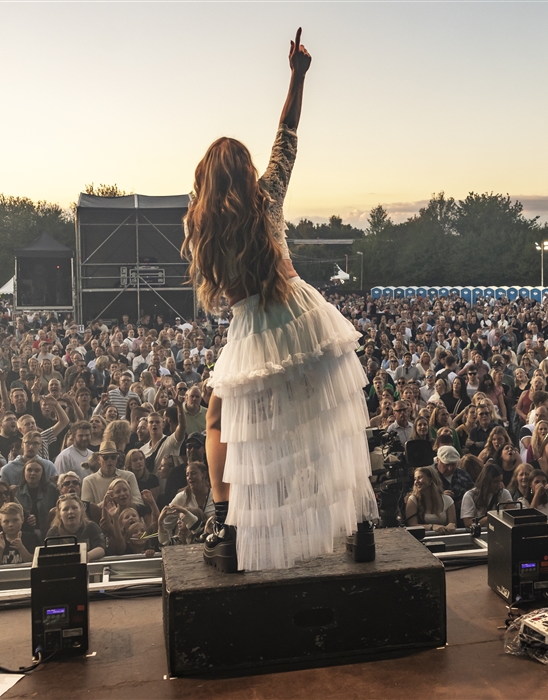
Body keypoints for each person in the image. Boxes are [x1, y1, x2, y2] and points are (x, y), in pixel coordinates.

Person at [183, 29, 376, 573]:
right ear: (245, 171)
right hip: (305, 310)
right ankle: (361, 526)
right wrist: (297, 74)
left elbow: (221, 293)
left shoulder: (204, 226)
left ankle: (226, 525)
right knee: (330, 418)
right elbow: (286, 133)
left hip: (257, 325)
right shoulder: (267, 195)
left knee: (221, 420)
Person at [47, 494, 106, 560]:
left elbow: (101, 549)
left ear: (81, 511)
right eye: (65, 509)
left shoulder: (91, 527)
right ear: (59, 515)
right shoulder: (53, 532)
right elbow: (50, 554)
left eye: (74, 508)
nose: (70, 512)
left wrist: (84, 557)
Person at [404, 466, 457, 534]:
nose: (416, 482)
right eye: (415, 479)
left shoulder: (448, 500)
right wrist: (432, 527)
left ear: (431, 479)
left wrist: (451, 525)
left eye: (420, 478)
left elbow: (452, 523)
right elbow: (412, 525)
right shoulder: (413, 500)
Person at [460, 464, 513, 529]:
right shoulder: (470, 495)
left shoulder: (504, 493)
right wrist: (491, 518)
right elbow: (468, 523)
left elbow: (511, 516)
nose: (499, 485)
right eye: (495, 482)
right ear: (486, 481)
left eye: (500, 481)